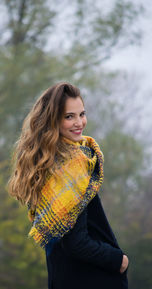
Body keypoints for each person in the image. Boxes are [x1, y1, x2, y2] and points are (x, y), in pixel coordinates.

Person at [8, 82, 129, 289]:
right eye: (69, 117)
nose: (79, 123)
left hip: (63, 275)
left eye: (82, 114)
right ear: (52, 121)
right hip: (90, 277)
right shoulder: (71, 164)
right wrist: (117, 259)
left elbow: (62, 238)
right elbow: (76, 243)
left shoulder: (45, 163)